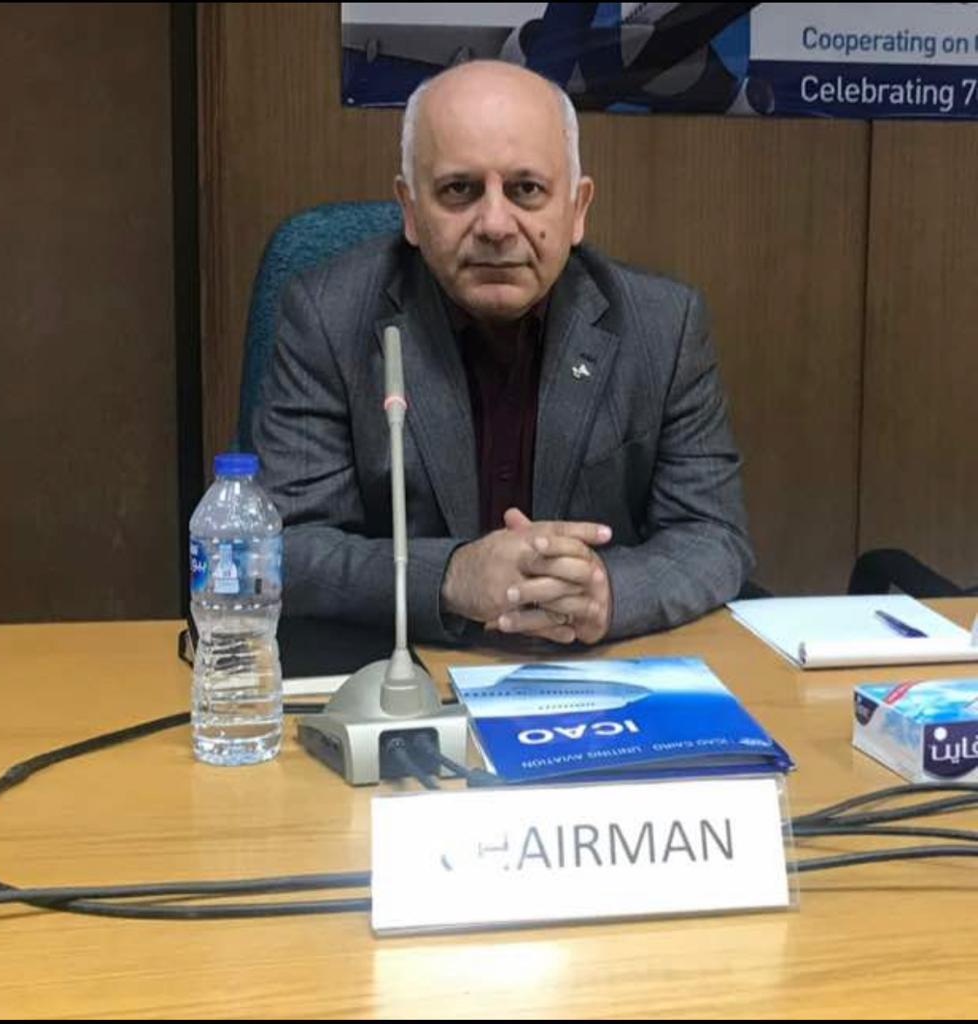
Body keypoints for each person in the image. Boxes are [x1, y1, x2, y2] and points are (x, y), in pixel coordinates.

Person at [255, 60, 752, 646]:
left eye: (526, 190)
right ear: (410, 209)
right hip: (405, 668)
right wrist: (451, 575)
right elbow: (285, 549)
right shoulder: (328, 315)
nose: (495, 224)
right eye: (459, 190)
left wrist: (610, 593)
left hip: (588, 669)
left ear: (577, 208)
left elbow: (713, 535)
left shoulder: (663, 324)